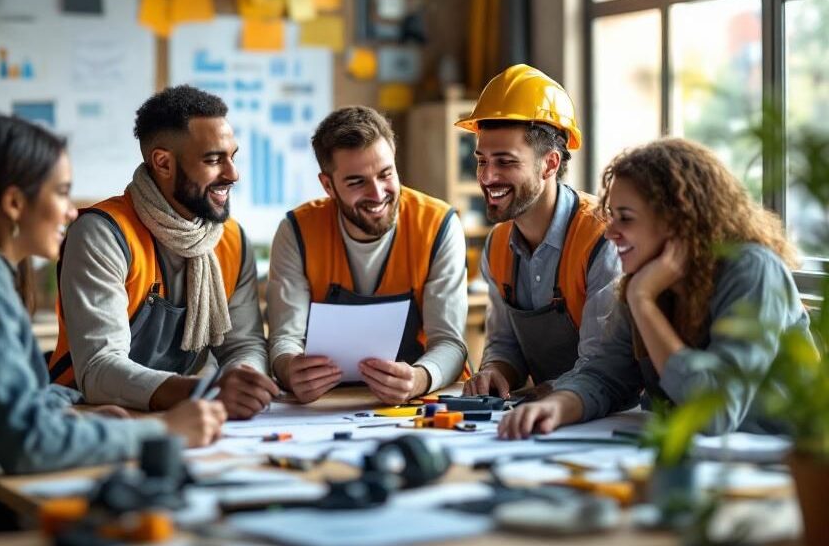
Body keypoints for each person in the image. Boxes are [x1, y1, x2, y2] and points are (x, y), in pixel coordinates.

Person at [0, 114, 224, 475]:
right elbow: (27, 444)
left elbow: (2, 405)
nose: (71, 211)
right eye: (61, 192)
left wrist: (75, 416)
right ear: (13, 204)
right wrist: (163, 430)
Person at [498, 137, 813, 438]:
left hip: (785, 467)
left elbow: (713, 412)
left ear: (678, 220)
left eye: (626, 218)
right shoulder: (645, 279)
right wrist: (555, 407)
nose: (611, 233)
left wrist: (644, 303)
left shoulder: (752, 270)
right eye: (612, 216)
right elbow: (606, 377)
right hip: (695, 458)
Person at [48, 86, 278, 420]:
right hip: (85, 416)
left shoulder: (230, 239)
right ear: (163, 162)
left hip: (181, 413)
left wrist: (245, 383)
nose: (233, 174)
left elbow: (243, 345)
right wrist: (204, 391)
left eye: (233, 156)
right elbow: (99, 369)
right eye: (214, 160)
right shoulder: (103, 234)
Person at [267, 106, 469, 404]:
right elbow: (285, 340)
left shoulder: (438, 225)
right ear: (328, 186)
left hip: (419, 401)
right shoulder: (296, 231)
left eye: (386, 174)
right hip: (324, 405)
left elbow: (450, 342)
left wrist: (420, 378)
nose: (377, 194)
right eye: (356, 182)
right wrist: (289, 370)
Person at [458, 64, 621, 398]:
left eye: (505, 162)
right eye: (482, 161)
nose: (488, 177)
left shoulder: (601, 237)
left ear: (550, 164)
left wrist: (529, 399)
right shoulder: (499, 243)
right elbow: (505, 344)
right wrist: (494, 373)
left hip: (609, 419)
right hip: (543, 414)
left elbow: (602, 368)